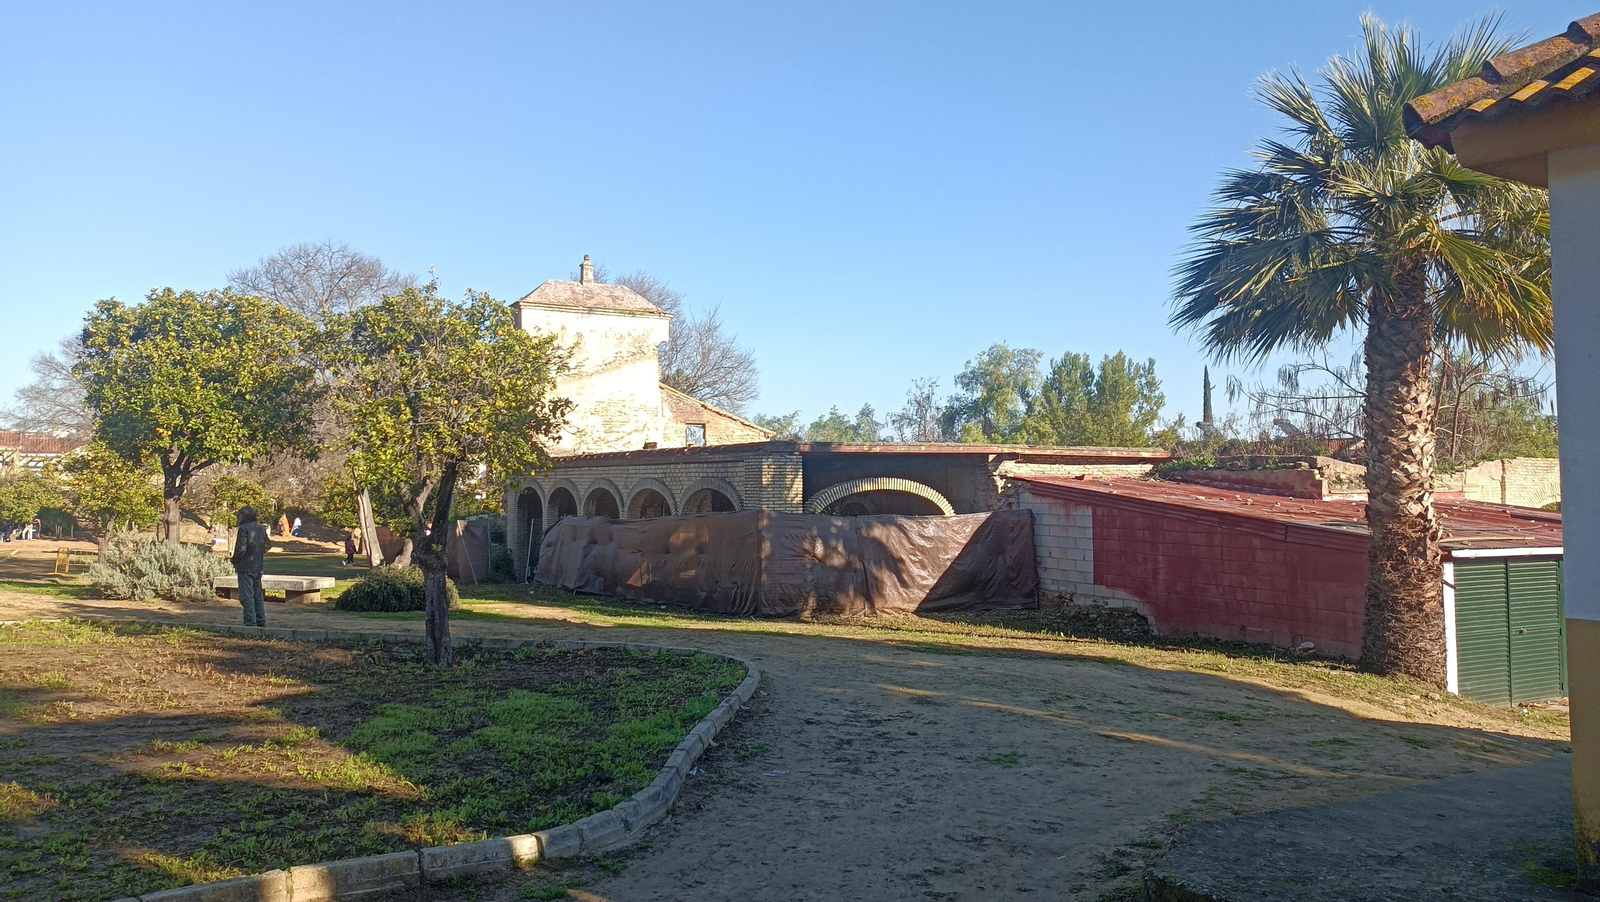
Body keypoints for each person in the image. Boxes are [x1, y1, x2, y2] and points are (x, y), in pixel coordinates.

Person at [231, 506, 269, 627]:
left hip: (245, 567)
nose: (238, 518)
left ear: (244, 516)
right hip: (258, 566)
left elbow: (241, 549)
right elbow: (268, 545)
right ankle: (260, 621)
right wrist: (257, 553)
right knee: (257, 595)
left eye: (239, 516)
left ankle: (250, 623)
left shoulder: (243, 529)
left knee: (247, 596)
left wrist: (234, 560)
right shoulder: (261, 528)